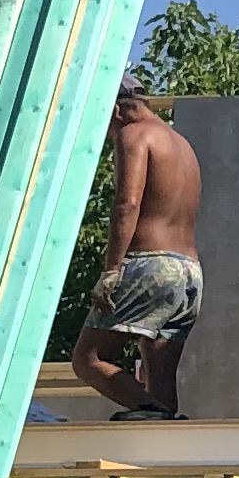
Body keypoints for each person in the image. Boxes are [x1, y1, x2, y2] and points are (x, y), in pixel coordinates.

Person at [69, 71, 203, 417]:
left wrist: (111, 270)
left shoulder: (134, 135)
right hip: (189, 274)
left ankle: (155, 412)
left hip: (149, 266)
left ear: (116, 110)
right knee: (159, 371)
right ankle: (163, 427)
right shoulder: (181, 144)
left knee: (88, 359)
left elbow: (126, 205)